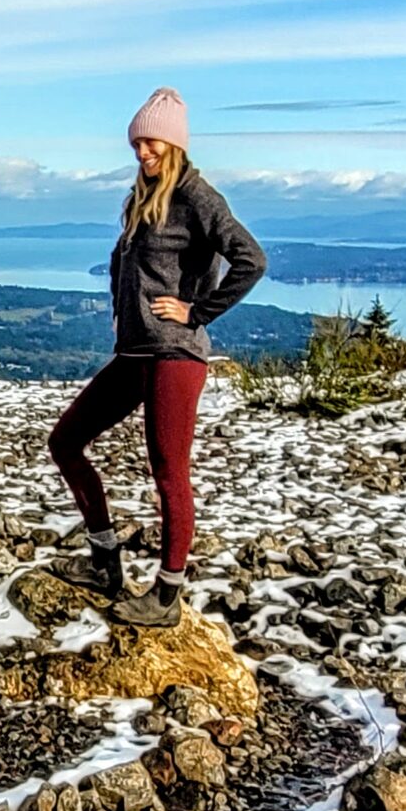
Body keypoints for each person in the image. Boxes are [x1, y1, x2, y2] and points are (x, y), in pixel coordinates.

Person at [47, 87, 266, 626]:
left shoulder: (198, 198)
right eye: (138, 143)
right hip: (136, 351)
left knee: (169, 472)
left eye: (153, 143)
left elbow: (251, 260)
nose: (143, 152)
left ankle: (167, 595)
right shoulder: (142, 196)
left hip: (174, 355)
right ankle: (104, 561)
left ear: (175, 145)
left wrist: (196, 312)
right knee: (66, 441)